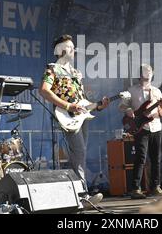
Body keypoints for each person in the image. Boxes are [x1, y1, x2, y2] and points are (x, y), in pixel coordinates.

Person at [39, 34, 109, 207]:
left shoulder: (76, 73)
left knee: (78, 156)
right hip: (67, 115)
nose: (74, 49)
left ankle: (68, 194)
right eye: (70, 47)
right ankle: (82, 195)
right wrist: (68, 106)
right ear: (61, 50)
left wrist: (98, 106)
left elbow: (83, 100)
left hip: (80, 116)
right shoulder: (52, 69)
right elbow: (44, 91)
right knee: (79, 152)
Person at [119, 64, 162, 199]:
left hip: (156, 127)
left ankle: (155, 187)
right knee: (140, 157)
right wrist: (128, 110)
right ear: (140, 74)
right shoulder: (131, 90)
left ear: (152, 74)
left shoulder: (157, 91)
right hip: (141, 128)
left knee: (156, 159)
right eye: (145, 71)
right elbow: (122, 106)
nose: (148, 73)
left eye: (150, 71)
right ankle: (135, 189)